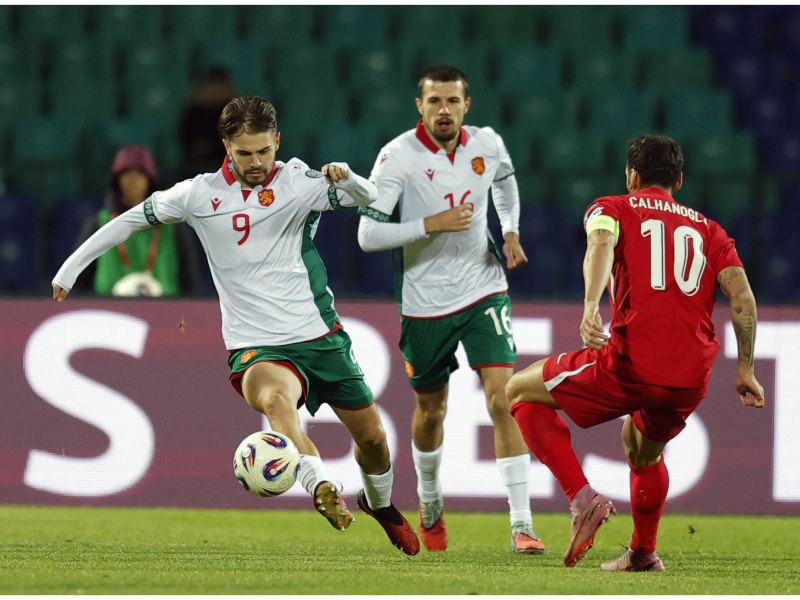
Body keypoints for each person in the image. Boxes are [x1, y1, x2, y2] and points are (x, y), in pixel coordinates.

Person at [52, 96, 420, 556]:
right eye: (244, 152)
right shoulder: (198, 194)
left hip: (319, 334)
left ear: (277, 142)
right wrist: (70, 267)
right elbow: (130, 219)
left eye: (264, 150)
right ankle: (319, 484)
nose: (256, 162)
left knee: (373, 441)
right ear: (226, 146)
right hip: (255, 346)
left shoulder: (299, 180)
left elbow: (372, 201)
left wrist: (351, 178)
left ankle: (380, 505)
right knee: (275, 401)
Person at [505, 135, 765, 571]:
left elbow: (600, 245)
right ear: (678, 180)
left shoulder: (612, 208)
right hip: (689, 376)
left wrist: (590, 306)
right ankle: (642, 552)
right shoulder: (710, 229)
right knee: (641, 449)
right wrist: (746, 368)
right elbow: (741, 293)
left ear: (630, 176)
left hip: (632, 361)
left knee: (517, 391)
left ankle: (583, 500)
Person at [357, 64, 544, 554]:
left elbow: (504, 182)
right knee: (431, 409)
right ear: (419, 106)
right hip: (425, 302)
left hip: (484, 287)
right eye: (434, 101)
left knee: (504, 398)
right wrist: (431, 223)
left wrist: (509, 232)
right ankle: (431, 496)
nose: (444, 110)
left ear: (467, 105)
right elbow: (367, 233)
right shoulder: (397, 157)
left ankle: (522, 524)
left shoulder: (487, 143)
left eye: (453, 101)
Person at [71, 144, 200, 297]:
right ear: (116, 180)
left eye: (139, 174)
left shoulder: (173, 226)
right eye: (126, 173)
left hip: (165, 313)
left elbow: (190, 281)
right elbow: (77, 281)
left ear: (150, 179)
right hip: (109, 313)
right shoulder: (98, 224)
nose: (132, 180)